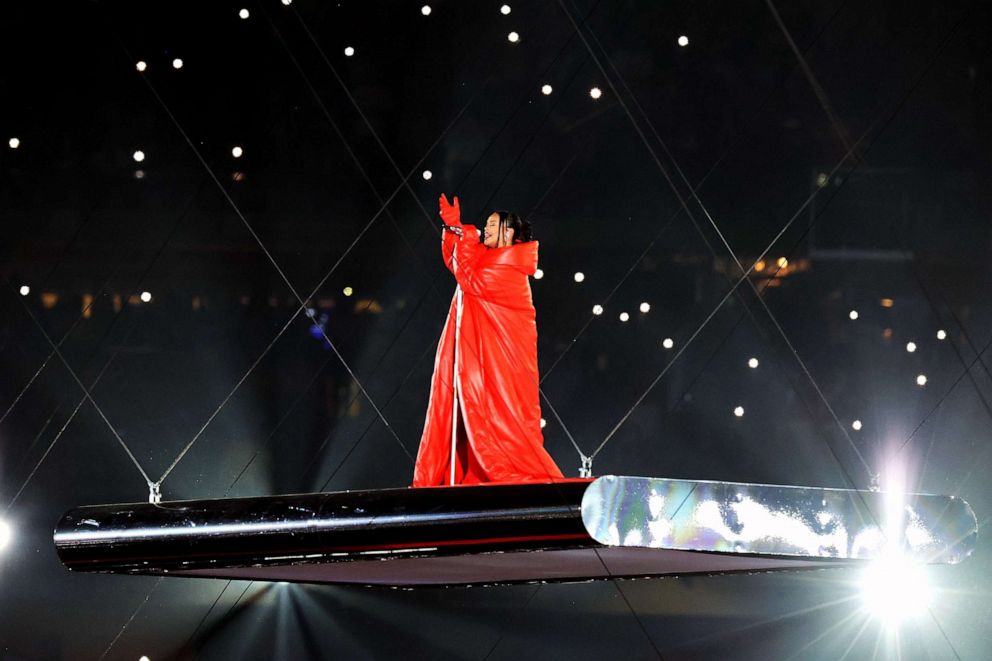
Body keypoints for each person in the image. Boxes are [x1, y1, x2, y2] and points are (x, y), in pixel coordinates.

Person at [412, 193, 564, 486]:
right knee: (473, 411)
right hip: (482, 357)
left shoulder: (508, 267)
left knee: (502, 416)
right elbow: (458, 262)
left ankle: (502, 470)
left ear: (508, 232)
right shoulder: (488, 259)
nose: (486, 228)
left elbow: (469, 277)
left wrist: (465, 234)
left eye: (493, 225)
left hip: (502, 362)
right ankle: (472, 473)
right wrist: (453, 228)